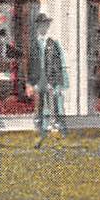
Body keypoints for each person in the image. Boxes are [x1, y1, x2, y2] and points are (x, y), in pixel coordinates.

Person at [30, 14, 68, 147]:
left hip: (50, 80)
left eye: (45, 25)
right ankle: (38, 136)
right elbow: (30, 64)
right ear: (37, 27)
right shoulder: (34, 44)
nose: (43, 28)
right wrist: (30, 83)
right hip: (38, 81)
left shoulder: (52, 44)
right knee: (38, 110)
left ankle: (55, 138)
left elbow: (57, 64)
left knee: (53, 110)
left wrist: (56, 83)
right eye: (41, 25)